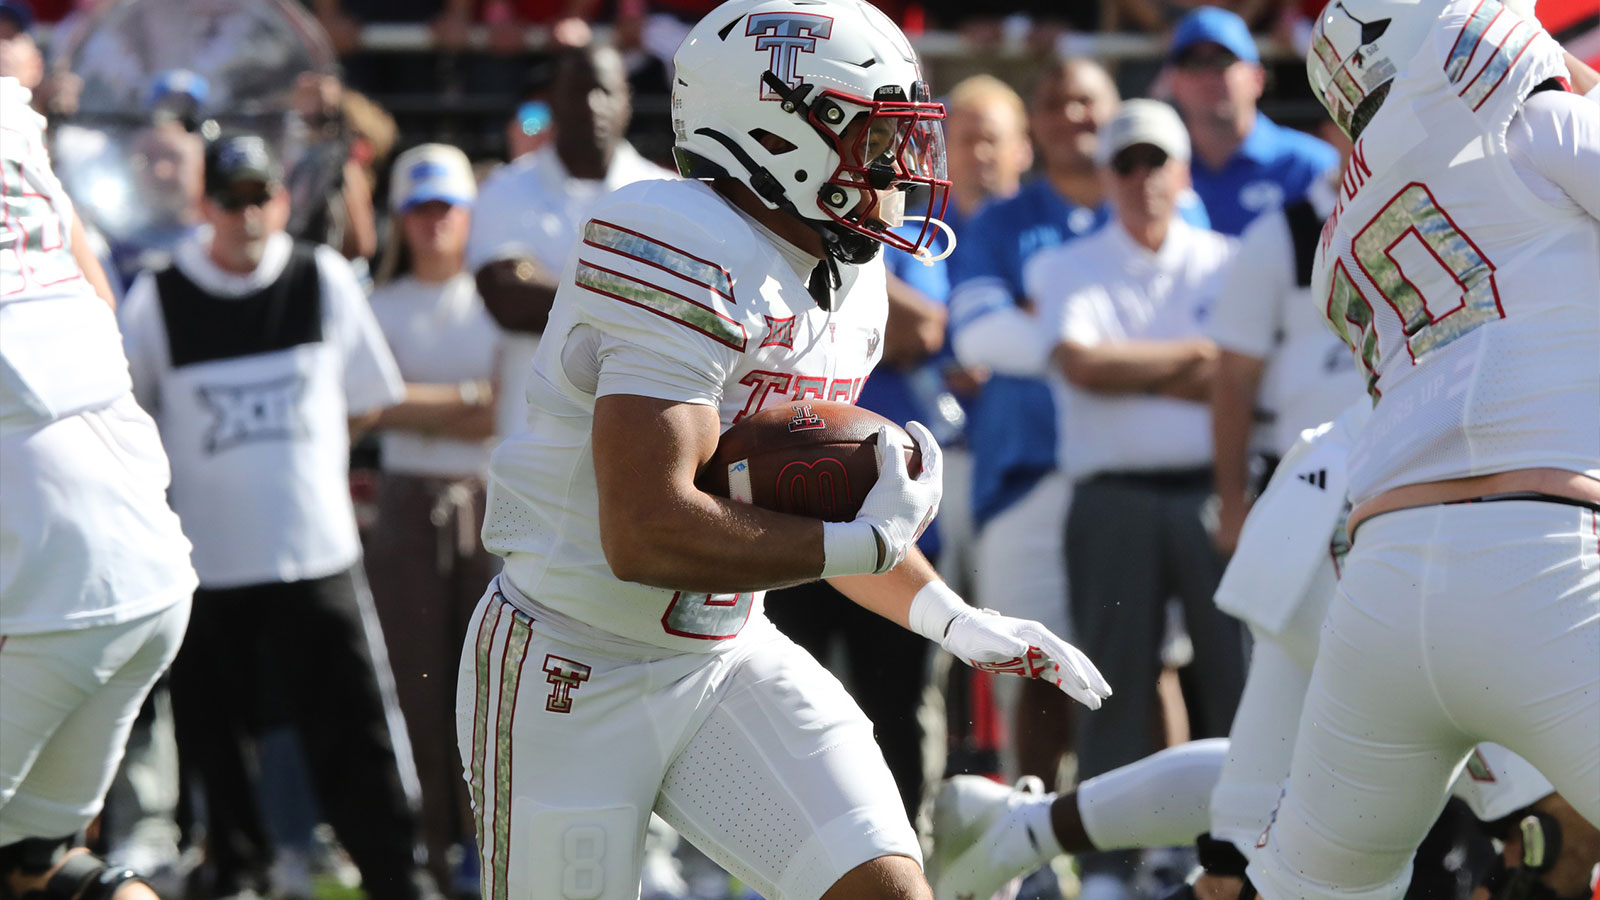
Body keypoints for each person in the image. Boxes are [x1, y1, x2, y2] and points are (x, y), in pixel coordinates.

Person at [452, 1, 1112, 897]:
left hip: (727, 649)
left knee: (886, 889)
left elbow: (811, 501)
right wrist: (859, 543)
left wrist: (954, 620)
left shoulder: (851, 277)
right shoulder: (673, 235)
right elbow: (645, 529)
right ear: (779, 134)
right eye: (876, 140)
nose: (901, 171)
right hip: (574, 658)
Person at [1248, 0, 1600, 896]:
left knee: (1310, 887)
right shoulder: (1526, 118)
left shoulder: (1345, 216)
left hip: (1382, 581)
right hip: (1546, 558)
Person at [118, 133, 436, 900]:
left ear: (282, 201)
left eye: (261, 196)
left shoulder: (320, 277)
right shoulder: (159, 296)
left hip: (316, 557)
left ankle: (396, 877)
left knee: (355, 732)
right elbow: (133, 418)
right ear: (205, 208)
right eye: (231, 200)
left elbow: (365, 402)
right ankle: (236, 873)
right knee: (215, 742)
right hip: (209, 569)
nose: (248, 214)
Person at [1024, 99, 1246, 900]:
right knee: (1111, 682)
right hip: (1112, 500)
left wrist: (1148, 367)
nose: (1143, 177)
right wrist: (1197, 360)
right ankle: (1114, 864)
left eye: (1157, 161)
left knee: (1237, 681)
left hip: (1211, 493)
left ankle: (1234, 856)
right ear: (1107, 176)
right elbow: (1082, 366)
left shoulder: (1229, 257)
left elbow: (1238, 376)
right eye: (1128, 163)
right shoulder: (1065, 265)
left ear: (1182, 171)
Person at [0, 71, 195, 900]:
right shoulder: (10, 114)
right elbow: (98, 295)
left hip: (52, 575)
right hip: (147, 557)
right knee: (38, 866)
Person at [363, 143, 500, 897]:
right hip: (407, 503)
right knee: (416, 681)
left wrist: (414, 402)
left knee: (486, 684)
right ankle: (428, 845)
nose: (433, 223)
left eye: (445, 207)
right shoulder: (378, 304)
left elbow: (500, 404)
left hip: (490, 499)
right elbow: (367, 403)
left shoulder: (492, 300)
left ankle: (488, 844)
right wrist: (468, 401)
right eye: (419, 209)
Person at [465, 43, 673, 439]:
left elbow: (683, 311)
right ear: (553, 101)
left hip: (641, 439)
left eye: (604, 91)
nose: (592, 105)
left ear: (627, 100)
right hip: (531, 438)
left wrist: (549, 283)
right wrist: (639, 295)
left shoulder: (668, 195)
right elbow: (508, 300)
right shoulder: (504, 189)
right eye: (578, 90)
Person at [1205, 122, 1364, 553]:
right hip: (1305, 490)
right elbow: (1235, 378)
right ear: (1333, 128)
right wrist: (1233, 505)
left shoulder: (1441, 218)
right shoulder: (1277, 235)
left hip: (1415, 481)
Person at [1164, 6, 1339, 236]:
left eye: (1223, 60)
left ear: (1258, 78)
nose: (1207, 75)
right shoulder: (1153, 169)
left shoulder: (1311, 166)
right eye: (1193, 62)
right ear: (1172, 83)